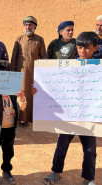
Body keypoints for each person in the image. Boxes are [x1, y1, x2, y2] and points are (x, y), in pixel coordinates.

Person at [42, 32, 99, 185]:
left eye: (87, 48)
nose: (83, 51)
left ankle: (89, 178)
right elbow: (55, 86)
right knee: (61, 145)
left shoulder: (99, 68)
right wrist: (39, 91)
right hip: (69, 114)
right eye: (80, 47)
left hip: (88, 116)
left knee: (90, 149)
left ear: (96, 48)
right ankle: (55, 172)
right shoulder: (68, 66)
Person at [0, 60, 27, 185]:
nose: (4, 77)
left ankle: (6, 170)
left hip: (10, 127)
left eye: (6, 74)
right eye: (1, 74)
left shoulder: (15, 90)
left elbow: (22, 107)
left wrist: (21, 97)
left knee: (8, 151)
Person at [10, 16, 47, 126]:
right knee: (20, 94)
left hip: (33, 73)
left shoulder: (39, 40)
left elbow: (43, 57)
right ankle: (18, 118)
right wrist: (12, 70)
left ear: (35, 26)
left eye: (30, 25)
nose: (28, 27)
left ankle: (28, 119)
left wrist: (43, 72)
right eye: (26, 25)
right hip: (20, 73)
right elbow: (14, 57)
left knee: (31, 96)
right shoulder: (19, 39)